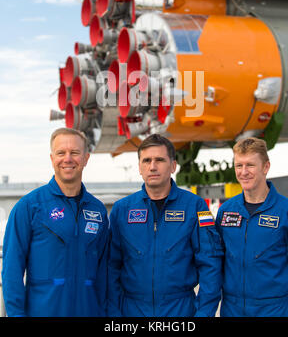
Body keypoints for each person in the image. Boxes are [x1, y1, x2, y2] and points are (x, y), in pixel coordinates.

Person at [107, 134, 223, 317]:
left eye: (159, 160)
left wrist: (203, 314)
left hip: (181, 311)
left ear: (173, 166)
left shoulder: (195, 207)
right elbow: (111, 268)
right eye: (146, 161)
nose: (152, 166)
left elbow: (210, 264)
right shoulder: (122, 210)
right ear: (139, 167)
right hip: (132, 311)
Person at [2, 127, 109, 317]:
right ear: (52, 159)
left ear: (85, 158)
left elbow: (104, 273)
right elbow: (11, 271)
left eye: (75, 152)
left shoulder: (98, 211)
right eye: (61, 153)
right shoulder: (29, 207)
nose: (68, 159)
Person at [216, 137, 288, 317]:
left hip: (272, 309)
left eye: (250, 165)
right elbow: (216, 259)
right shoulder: (226, 211)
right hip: (232, 308)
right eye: (239, 165)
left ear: (266, 167)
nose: (243, 172)